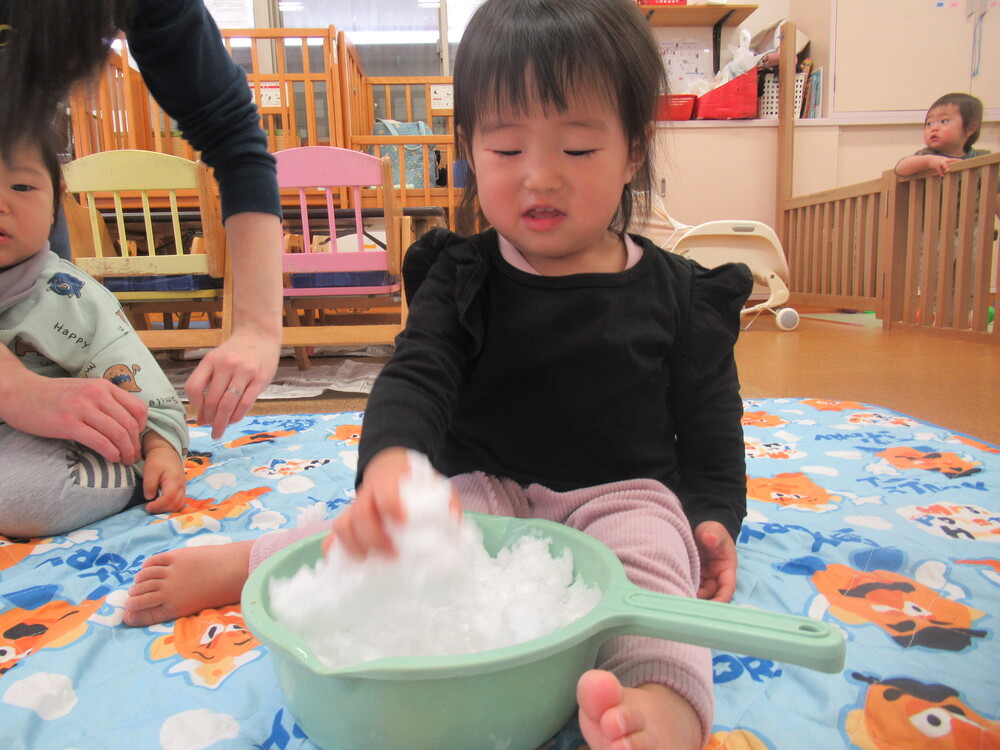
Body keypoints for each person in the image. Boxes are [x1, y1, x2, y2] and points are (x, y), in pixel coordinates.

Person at [125, 0, 752, 747]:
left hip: (617, 498)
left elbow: (712, 428)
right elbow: (415, 378)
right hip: (477, 494)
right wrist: (394, 469)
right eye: (507, 149)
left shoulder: (682, 294)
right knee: (377, 528)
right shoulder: (462, 274)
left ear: (633, 150)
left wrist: (712, 519)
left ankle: (661, 707)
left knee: (656, 566)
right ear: (469, 150)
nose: (539, 177)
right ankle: (256, 562)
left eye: (578, 150)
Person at [0, 0, 283, 444]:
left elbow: (234, 137)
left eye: (22, 187)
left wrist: (258, 329)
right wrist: (16, 388)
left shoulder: (65, 290)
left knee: (76, 425)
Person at [0, 127, 188, 537]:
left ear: (55, 203)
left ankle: (126, 483)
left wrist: (159, 448)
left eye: (21, 185)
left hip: (43, 442)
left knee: (25, 497)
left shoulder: (69, 296)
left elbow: (139, 382)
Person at [895, 93, 989, 177]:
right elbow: (900, 168)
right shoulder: (928, 154)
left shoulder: (982, 159)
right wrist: (929, 161)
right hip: (933, 197)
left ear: (970, 128)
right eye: (929, 123)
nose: (934, 128)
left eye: (944, 121)